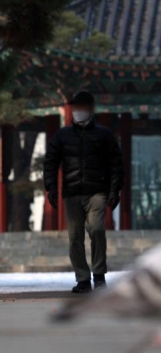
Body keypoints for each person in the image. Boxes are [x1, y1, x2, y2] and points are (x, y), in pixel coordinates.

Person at [43, 91, 124, 293]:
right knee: (75, 237)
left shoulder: (104, 135)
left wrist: (115, 190)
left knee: (96, 229)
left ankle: (98, 275)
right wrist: (50, 187)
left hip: (97, 191)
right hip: (72, 193)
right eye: (75, 108)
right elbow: (50, 162)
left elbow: (116, 164)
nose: (78, 112)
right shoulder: (62, 135)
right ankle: (82, 279)